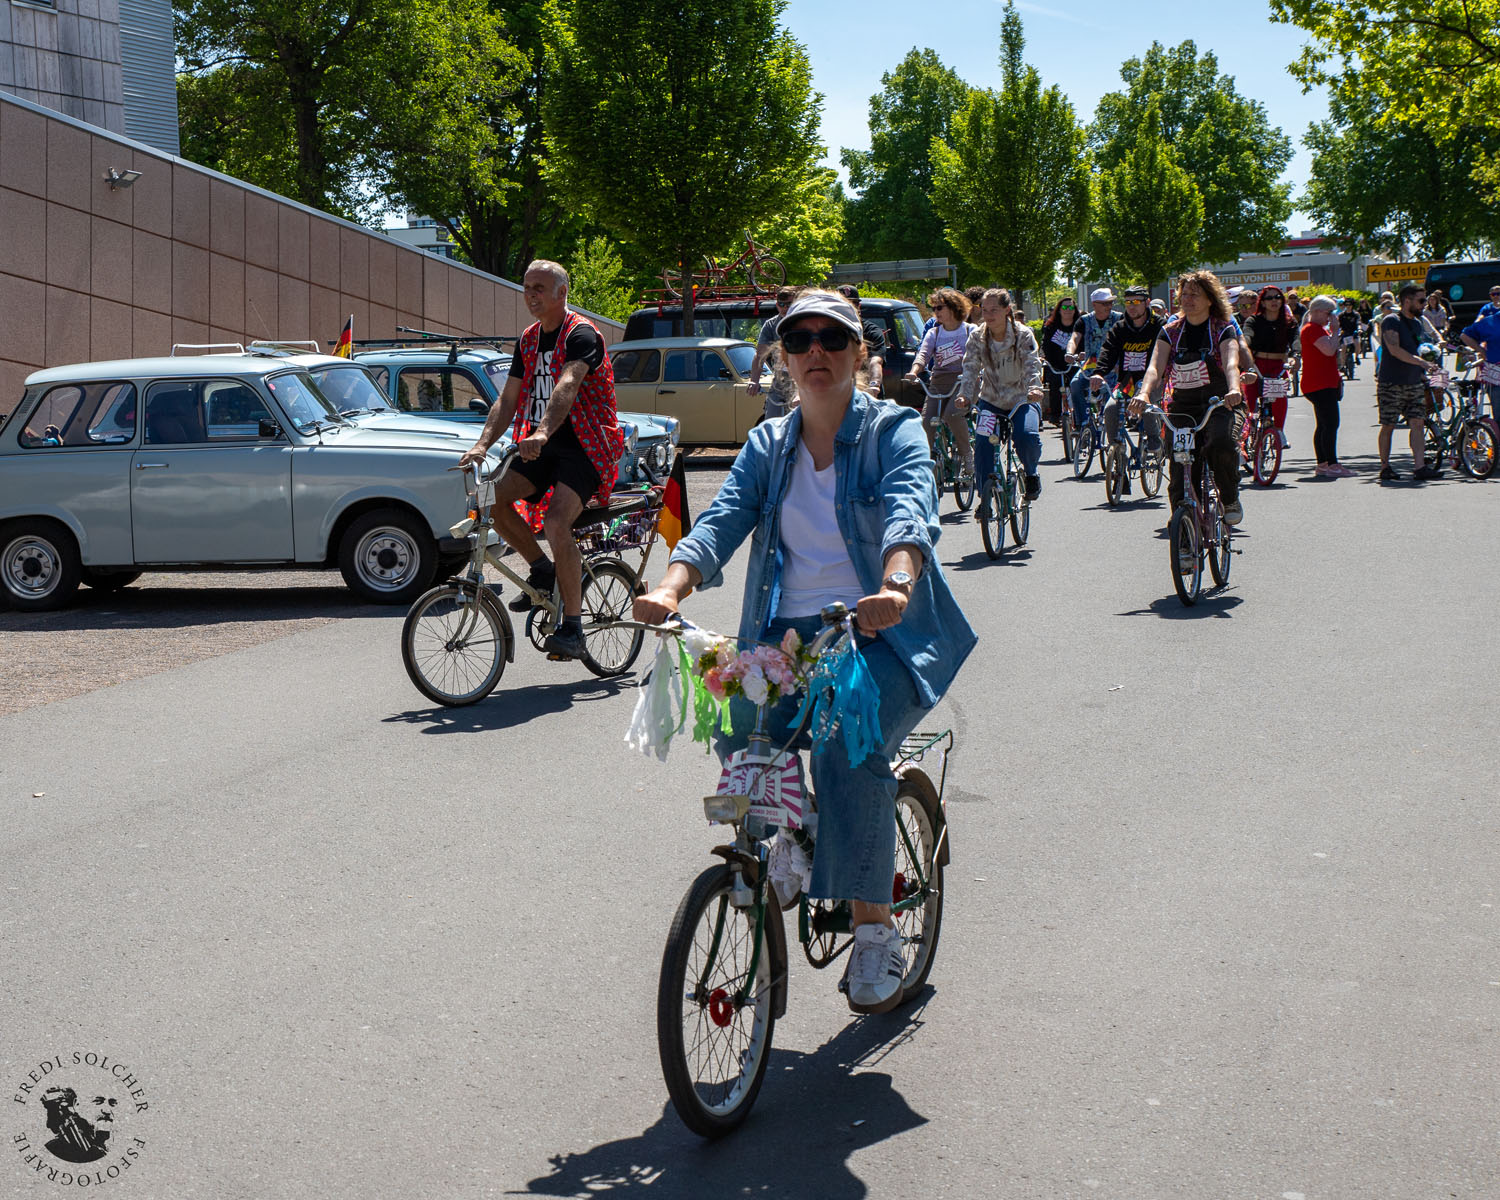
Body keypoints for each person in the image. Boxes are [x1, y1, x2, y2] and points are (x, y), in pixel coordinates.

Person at [633, 288, 976, 1015]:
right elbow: (723, 518)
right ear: (782, 357)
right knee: (737, 726)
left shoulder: (893, 431)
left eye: (832, 338)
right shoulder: (770, 444)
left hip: (883, 632)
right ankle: (794, 834)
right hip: (789, 633)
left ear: (858, 353)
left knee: (843, 748)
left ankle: (875, 932)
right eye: (800, 340)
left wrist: (896, 582)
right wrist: (671, 588)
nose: (815, 352)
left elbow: (913, 508)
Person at [458, 259, 624, 659]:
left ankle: (573, 626)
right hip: (540, 444)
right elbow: (509, 398)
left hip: (586, 446)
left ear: (561, 293)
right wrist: (482, 444)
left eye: (539, 288)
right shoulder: (529, 339)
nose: (530, 295)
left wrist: (544, 431)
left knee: (555, 522)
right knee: (489, 500)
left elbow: (568, 384)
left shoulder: (581, 334)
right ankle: (542, 570)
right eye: (527, 287)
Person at [1133, 269, 1245, 525]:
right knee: (1181, 464)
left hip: (1219, 403)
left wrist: (1234, 389)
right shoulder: (1170, 331)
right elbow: (1154, 367)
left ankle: (1229, 497)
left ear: (1210, 299)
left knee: (1221, 443)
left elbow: (1231, 363)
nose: (1188, 299)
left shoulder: (1222, 329)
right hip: (1182, 406)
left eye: (1195, 294)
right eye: (1184, 294)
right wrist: (1144, 393)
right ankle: (1185, 531)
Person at [961, 288, 1046, 513]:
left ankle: (1031, 473)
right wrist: (964, 395)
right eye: (984, 310)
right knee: (982, 444)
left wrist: (1035, 388)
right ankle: (985, 499)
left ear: (1007, 310)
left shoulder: (1023, 334)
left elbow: (1032, 365)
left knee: (1026, 435)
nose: (988, 315)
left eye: (994, 310)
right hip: (990, 400)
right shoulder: (977, 336)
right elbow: (970, 368)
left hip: (1022, 399)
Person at [1091, 284, 1164, 495]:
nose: (1131, 307)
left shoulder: (1159, 325)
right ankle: (1117, 455)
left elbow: (1168, 352)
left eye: (1136, 302)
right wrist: (1099, 373)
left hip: (1154, 381)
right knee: (1111, 408)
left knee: (1147, 406)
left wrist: (1161, 376)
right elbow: (1108, 351)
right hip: (1128, 382)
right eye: (1128, 302)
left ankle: (1153, 443)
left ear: (1147, 303)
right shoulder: (1120, 328)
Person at [1376, 283, 1444, 482]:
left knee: (1417, 422)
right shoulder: (1391, 321)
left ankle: (1420, 467)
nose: (1424, 304)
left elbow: (1416, 351)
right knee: (1388, 424)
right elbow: (1395, 350)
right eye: (1421, 300)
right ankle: (1385, 466)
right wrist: (1422, 363)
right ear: (1407, 301)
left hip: (1413, 382)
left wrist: (1424, 371)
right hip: (1391, 382)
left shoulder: (1417, 323)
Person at [905, 288, 974, 478]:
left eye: (939, 307)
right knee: (926, 422)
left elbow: (980, 356)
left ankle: (968, 455)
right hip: (939, 381)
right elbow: (923, 355)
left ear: (953, 307)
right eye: (934, 308)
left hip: (964, 380)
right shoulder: (934, 333)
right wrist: (913, 372)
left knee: (953, 414)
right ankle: (924, 467)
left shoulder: (970, 330)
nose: (935, 311)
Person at [1300, 296, 1351, 476]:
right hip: (1319, 384)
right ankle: (1331, 464)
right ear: (1318, 311)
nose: (1331, 317)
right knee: (1330, 424)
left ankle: (1323, 464)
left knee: (1323, 425)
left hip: (1322, 383)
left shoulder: (1317, 329)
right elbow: (1329, 350)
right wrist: (1335, 331)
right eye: (1329, 313)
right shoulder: (1313, 329)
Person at [1244, 286, 1298, 447]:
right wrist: (1244, 347)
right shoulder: (1254, 320)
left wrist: (1296, 356)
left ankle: (1279, 431)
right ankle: (1244, 439)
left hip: (1277, 367)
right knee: (1248, 402)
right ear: (1263, 302)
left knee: (1280, 398)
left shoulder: (1289, 322)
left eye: (1277, 297)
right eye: (1269, 298)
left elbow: (1295, 340)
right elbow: (1247, 335)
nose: (1274, 301)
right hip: (1256, 365)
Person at [1066, 288, 1123, 430]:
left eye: (1110, 303)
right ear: (1094, 305)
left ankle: (1116, 429)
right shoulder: (1084, 321)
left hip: (1113, 366)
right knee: (1075, 385)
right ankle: (1083, 422)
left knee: (1117, 396)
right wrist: (1069, 353)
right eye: (1105, 304)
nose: (1109, 307)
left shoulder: (1120, 318)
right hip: (1091, 365)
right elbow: (1074, 338)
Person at [748, 287, 797, 419]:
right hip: (780, 377)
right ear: (777, 305)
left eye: (789, 304)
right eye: (781, 304)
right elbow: (760, 355)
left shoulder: (803, 323)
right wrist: (754, 381)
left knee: (797, 419)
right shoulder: (771, 325)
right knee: (771, 416)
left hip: (800, 378)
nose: (785, 308)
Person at [836, 284, 887, 397]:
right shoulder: (827, 333)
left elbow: (875, 361)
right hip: (838, 392)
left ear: (858, 306)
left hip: (867, 391)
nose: (848, 309)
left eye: (852, 304)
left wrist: (874, 384)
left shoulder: (872, 331)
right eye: (843, 305)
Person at [1039, 295, 1081, 425]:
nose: (1067, 310)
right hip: (1055, 365)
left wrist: (1080, 356)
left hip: (1075, 363)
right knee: (1055, 383)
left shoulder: (1080, 325)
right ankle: (1055, 415)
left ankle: (1079, 414)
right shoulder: (1050, 326)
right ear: (1059, 309)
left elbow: (1084, 344)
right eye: (1064, 307)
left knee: (1077, 386)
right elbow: (1046, 346)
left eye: (1070, 307)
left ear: (1075, 309)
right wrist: (1048, 361)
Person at [1459, 302, 1500, 424]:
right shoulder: (1491, 321)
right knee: (1499, 416)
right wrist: (1482, 351)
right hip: (1496, 375)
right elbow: (1465, 335)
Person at [1336, 301, 1361, 376]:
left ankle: (1357, 357)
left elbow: (1359, 323)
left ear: (1352, 305)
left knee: (1357, 343)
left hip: (1353, 333)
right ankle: (1343, 365)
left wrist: (1359, 329)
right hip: (1345, 333)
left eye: (1349, 304)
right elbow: (1338, 325)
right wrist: (1337, 333)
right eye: (1346, 305)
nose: (1348, 306)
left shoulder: (1356, 314)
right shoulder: (1341, 315)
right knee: (1343, 348)